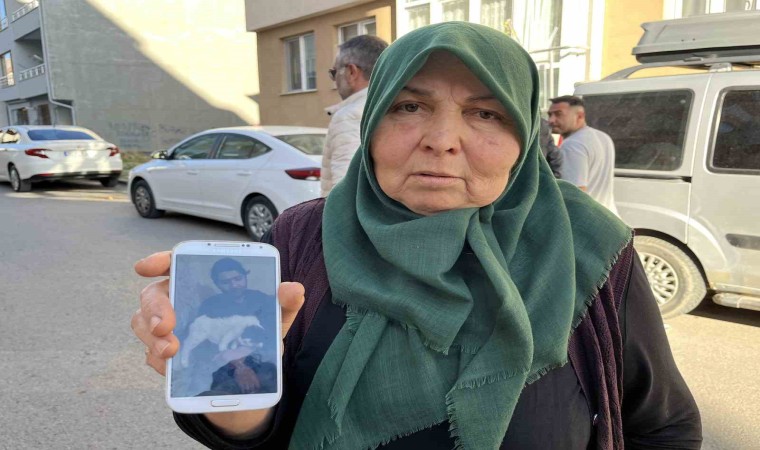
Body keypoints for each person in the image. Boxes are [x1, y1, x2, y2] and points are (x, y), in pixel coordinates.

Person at [132, 22, 701, 449]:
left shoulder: (589, 249)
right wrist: (228, 393)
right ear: (373, 121)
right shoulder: (303, 237)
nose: (442, 139)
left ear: (526, 134)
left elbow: (664, 427)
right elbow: (257, 429)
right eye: (409, 106)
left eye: (486, 114)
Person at [175, 258, 278, 396]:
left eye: (238, 279)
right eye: (225, 282)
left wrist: (244, 357)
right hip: (220, 362)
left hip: (259, 358)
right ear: (217, 284)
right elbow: (203, 341)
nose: (234, 285)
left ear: (245, 276)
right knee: (201, 388)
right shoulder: (210, 305)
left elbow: (272, 336)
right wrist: (235, 364)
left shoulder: (263, 300)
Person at [321, 35, 388, 197]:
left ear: (351, 72)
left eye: (334, 73)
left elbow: (345, 192)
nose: (335, 81)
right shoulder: (394, 106)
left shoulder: (350, 117)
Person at [547, 95, 619, 215]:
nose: (551, 120)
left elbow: (575, 195)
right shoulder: (603, 137)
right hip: (608, 216)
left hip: (589, 218)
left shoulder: (572, 145)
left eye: (558, 114)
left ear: (580, 116)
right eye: (550, 115)